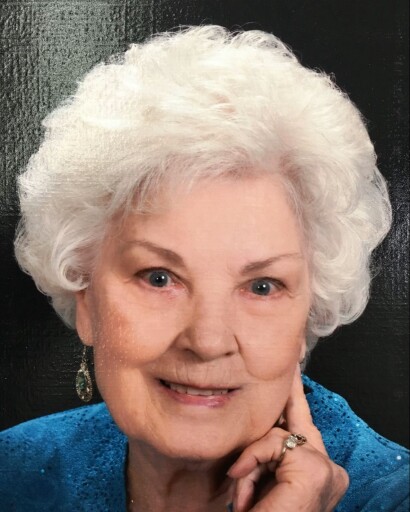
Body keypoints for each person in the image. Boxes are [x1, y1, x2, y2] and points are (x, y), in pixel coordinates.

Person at [0, 25, 408, 512]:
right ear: (85, 298)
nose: (208, 341)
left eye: (262, 286)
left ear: (307, 318)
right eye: (159, 278)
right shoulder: (13, 472)